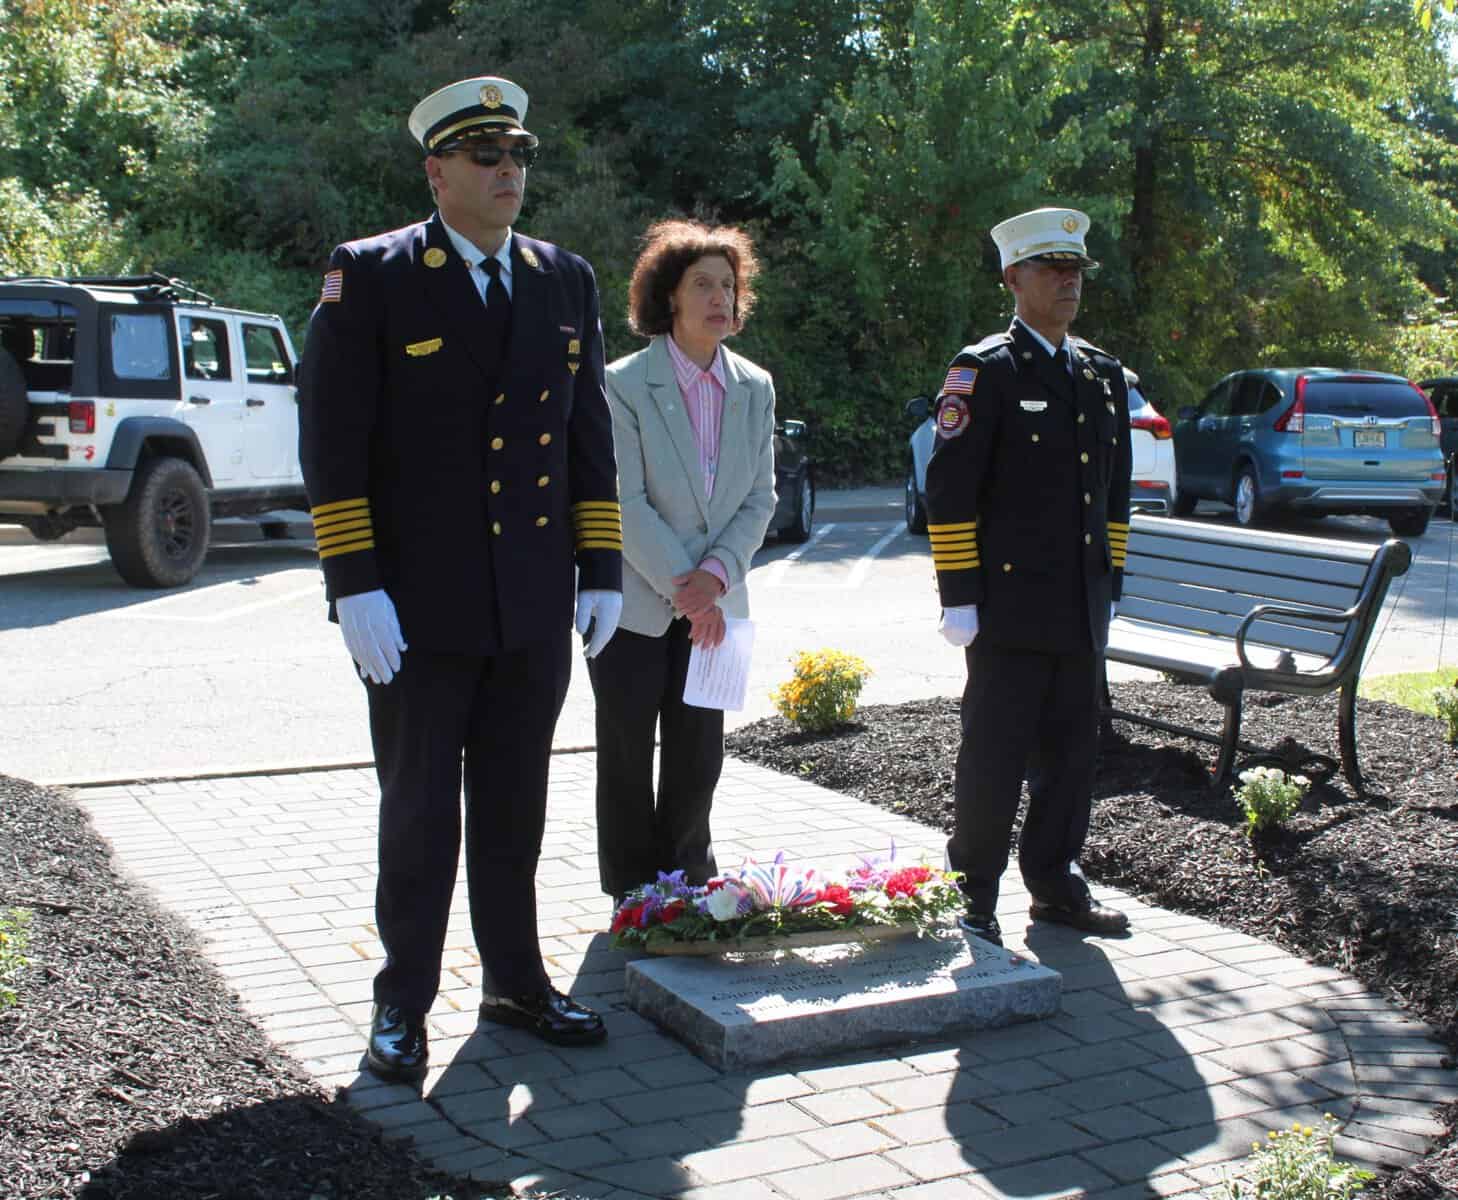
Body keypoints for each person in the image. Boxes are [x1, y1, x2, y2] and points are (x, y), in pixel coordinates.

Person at [297, 76, 624, 1082]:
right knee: (421, 810)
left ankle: (517, 981)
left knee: (517, 806)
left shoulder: (563, 278)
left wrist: (601, 564)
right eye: (486, 157)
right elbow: (333, 440)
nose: (508, 173)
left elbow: (586, 437)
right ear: (437, 172)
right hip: (417, 608)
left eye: (518, 155)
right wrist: (354, 581)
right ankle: (403, 1001)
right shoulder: (376, 275)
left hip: (529, 600)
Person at [925, 206, 1133, 947]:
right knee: (994, 757)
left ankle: (1054, 883)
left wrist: (1111, 581)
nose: (1068, 281)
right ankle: (973, 893)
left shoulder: (1101, 374)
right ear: (1014, 277)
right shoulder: (985, 370)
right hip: (1009, 609)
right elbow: (948, 491)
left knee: (1074, 755)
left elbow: (1113, 491)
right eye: (1052, 268)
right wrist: (960, 596)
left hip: (1079, 605)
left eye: (1075, 269)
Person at [589, 219, 777, 908]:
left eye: (728, 285)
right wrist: (687, 589)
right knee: (628, 752)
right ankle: (636, 892)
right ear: (668, 296)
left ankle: (689, 877)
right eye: (702, 284)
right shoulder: (622, 384)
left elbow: (761, 498)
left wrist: (717, 580)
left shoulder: (755, 386)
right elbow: (623, 501)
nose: (719, 297)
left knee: (700, 754)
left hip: (722, 607)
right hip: (636, 607)